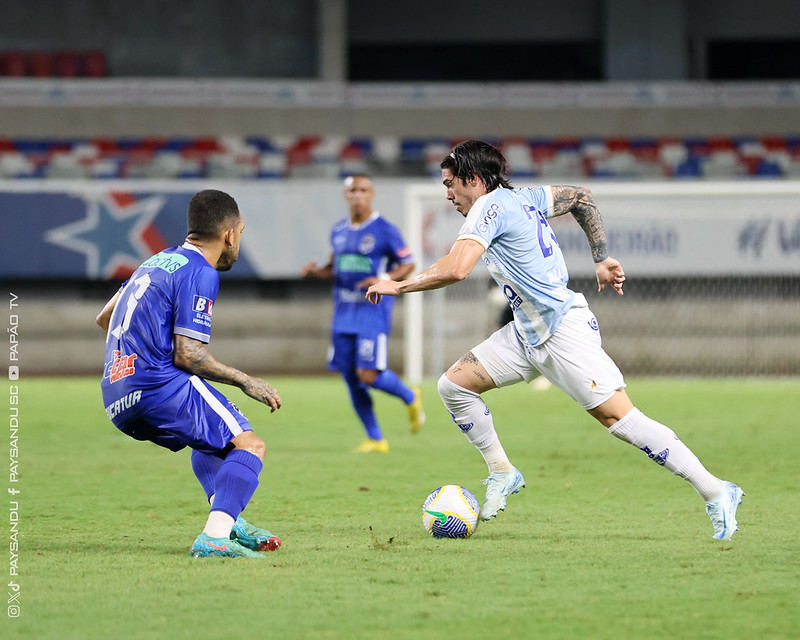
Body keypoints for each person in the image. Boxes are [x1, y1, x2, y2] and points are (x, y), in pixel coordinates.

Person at [366, 140, 744, 540]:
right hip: (526, 333)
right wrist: (601, 257)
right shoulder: (525, 196)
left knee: (620, 418)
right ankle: (502, 472)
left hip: (562, 332)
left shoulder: (487, 207)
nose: (447, 194)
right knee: (453, 386)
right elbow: (582, 197)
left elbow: (457, 269)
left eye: (450, 184)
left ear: (474, 180)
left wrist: (400, 285)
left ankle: (717, 491)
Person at [96, 189, 283, 558]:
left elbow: (104, 318)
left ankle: (230, 523)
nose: (239, 240)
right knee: (250, 445)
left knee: (212, 440)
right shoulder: (201, 271)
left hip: (116, 393)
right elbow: (189, 354)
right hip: (155, 385)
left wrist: (139, 352)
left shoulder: (154, 261)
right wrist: (247, 381)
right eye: (241, 232)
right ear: (229, 234)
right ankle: (214, 538)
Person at [301, 173, 425, 453]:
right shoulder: (338, 230)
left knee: (367, 375)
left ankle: (409, 394)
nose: (358, 195)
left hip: (372, 311)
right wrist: (316, 271)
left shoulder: (385, 229)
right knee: (350, 377)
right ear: (346, 195)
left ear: (372, 194)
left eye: (364, 190)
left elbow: (408, 264)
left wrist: (382, 277)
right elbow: (334, 268)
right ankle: (376, 438)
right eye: (353, 190)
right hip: (343, 313)